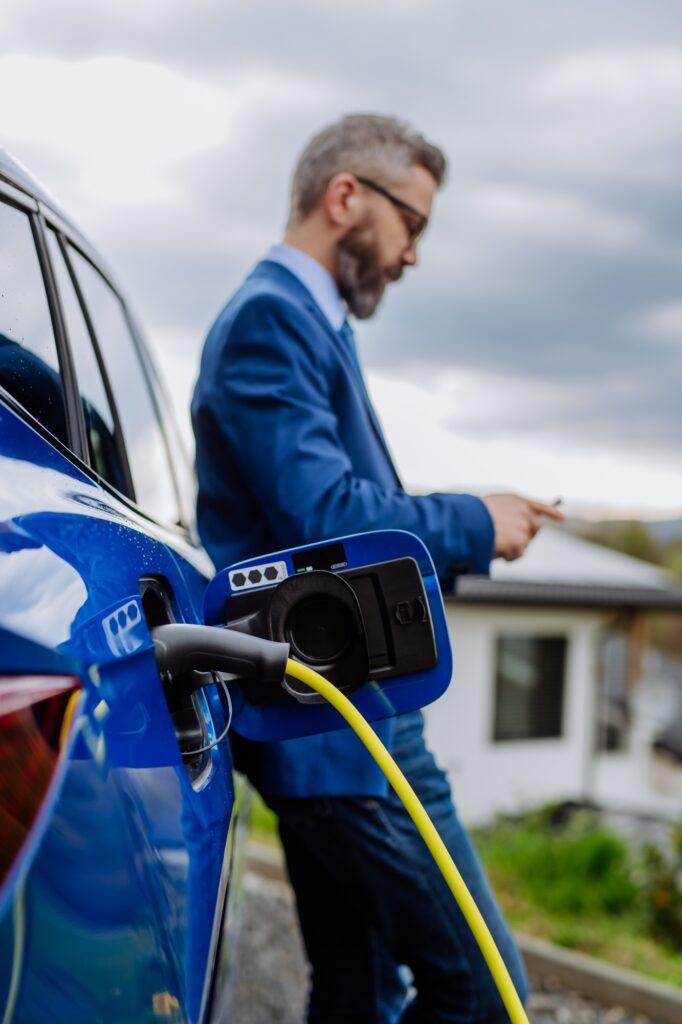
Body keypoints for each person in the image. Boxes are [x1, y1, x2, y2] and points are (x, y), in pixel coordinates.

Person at [192, 114, 563, 1023]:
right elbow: (327, 521)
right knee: (483, 996)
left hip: (331, 731)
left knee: (358, 990)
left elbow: (331, 506)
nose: (413, 255)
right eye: (414, 224)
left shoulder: (301, 326)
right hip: (345, 738)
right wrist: (475, 521)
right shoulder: (270, 324)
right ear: (346, 195)